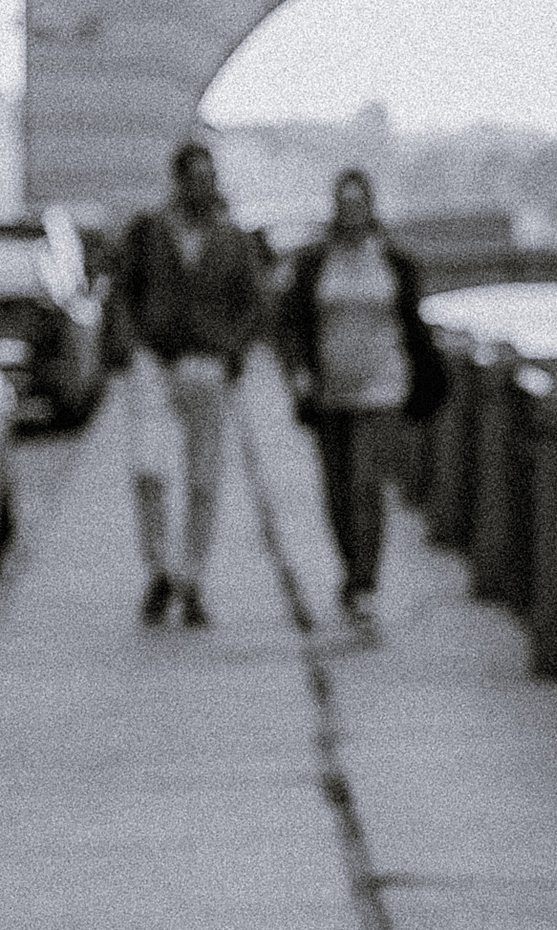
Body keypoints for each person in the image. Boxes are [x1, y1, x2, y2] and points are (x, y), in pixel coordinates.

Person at [104, 139, 266, 628]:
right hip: (153, 363)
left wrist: (230, 353)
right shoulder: (148, 232)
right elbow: (123, 294)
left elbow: (253, 304)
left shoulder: (232, 239)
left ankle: (191, 576)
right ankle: (161, 567)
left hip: (206, 365)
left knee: (203, 477)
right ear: (179, 181)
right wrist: (133, 349)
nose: (204, 187)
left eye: (209, 177)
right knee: (150, 471)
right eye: (196, 178)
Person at [277, 171, 448, 619]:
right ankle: (351, 565)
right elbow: (291, 323)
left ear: (371, 206)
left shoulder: (394, 261)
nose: (352, 212)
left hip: (384, 388)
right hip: (330, 391)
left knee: (367, 483)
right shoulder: (315, 261)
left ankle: (365, 581)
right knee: (336, 491)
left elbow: (413, 325)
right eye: (345, 203)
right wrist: (298, 374)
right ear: (335, 206)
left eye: (360, 203)